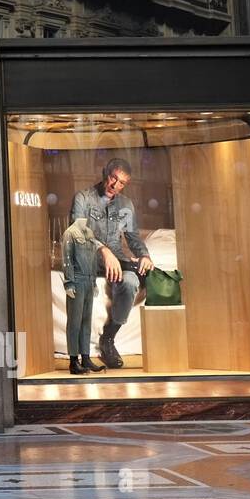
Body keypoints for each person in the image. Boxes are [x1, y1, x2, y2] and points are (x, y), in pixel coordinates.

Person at [69, 157, 153, 369]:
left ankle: (108, 338)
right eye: (113, 178)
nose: (115, 186)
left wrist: (144, 256)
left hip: (116, 262)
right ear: (105, 172)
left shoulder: (126, 205)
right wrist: (102, 250)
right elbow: (77, 232)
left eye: (122, 182)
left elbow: (133, 239)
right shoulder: (83, 198)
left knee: (132, 281)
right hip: (87, 259)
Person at [60, 217, 106, 375]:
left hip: (88, 280)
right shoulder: (70, 233)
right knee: (74, 321)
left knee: (87, 320)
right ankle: (74, 361)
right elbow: (66, 259)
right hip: (77, 280)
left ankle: (85, 357)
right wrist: (69, 282)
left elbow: (93, 259)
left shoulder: (90, 233)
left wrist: (93, 282)